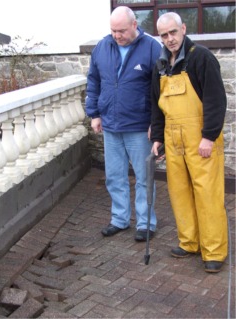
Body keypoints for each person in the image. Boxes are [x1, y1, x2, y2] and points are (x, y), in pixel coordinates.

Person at [150, 12, 228, 273]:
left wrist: (209, 136)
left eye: (173, 32)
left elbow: (216, 100)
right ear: (159, 37)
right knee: (179, 192)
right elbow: (156, 106)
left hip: (201, 139)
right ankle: (189, 242)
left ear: (183, 29)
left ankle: (214, 251)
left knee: (207, 194)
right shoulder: (160, 64)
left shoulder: (201, 57)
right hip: (173, 140)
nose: (170, 39)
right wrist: (158, 138)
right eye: (164, 35)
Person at [86, 6, 162, 241]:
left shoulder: (151, 47)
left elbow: (161, 89)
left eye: (121, 30)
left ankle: (145, 223)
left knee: (143, 177)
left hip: (139, 126)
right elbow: (94, 81)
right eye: (113, 30)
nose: (116, 35)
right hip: (110, 124)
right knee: (115, 176)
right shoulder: (102, 47)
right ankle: (119, 219)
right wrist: (95, 114)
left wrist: (155, 122)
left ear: (134, 25)